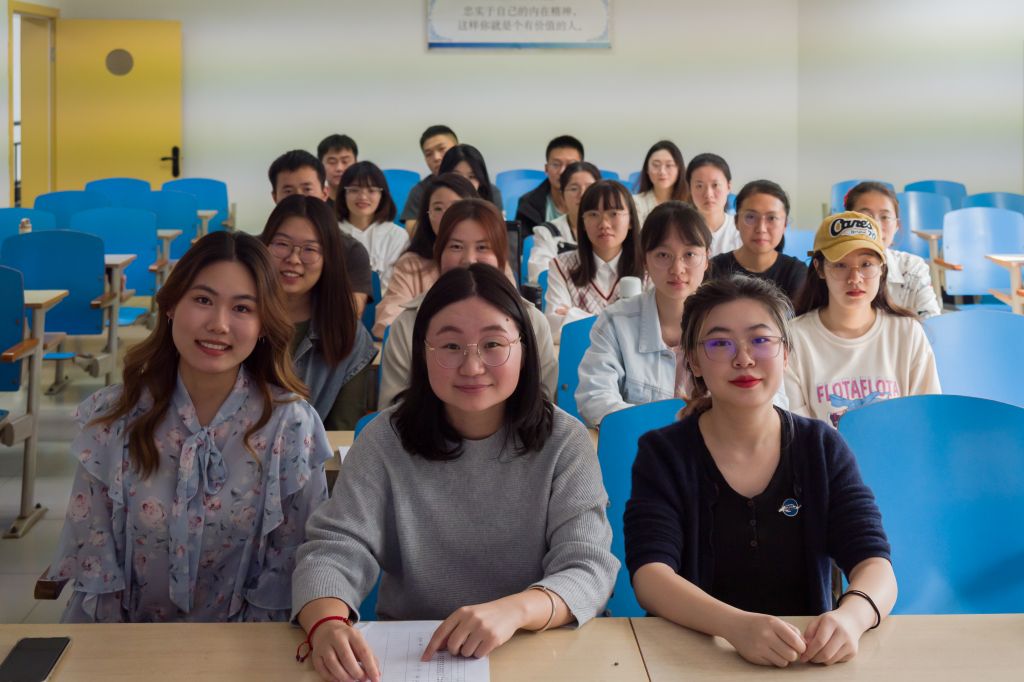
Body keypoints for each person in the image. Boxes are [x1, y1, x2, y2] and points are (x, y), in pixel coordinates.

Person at [292, 264, 618, 682]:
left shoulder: (565, 441)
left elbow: (588, 565)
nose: (472, 366)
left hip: (536, 651)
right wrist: (327, 624)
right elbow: (335, 548)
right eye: (450, 346)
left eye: (493, 344)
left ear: (524, 348)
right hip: (413, 658)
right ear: (422, 351)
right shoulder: (384, 440)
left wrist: (516, 610)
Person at [47, 231, 332, 623]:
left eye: (242, 308)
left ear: (264, 324)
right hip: (128, 642)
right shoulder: (114, 416)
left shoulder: (290, 424)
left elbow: (291, 565)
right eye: (202, 300)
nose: (218, 324)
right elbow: (95, 561)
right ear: (170, 306)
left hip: (249, 644)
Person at [625, 274, 897, 668]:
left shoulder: (821, 447)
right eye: (720, 343)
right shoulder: (664, 453)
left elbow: (875, 563)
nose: (744, 359)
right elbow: (651, 576)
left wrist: (851, 618)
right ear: (694, 361)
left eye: (760, 340)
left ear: (785, 354)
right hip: (691, 659)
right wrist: (734, 626)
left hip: (804, 661)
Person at [378, 199, 557, 408]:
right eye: (456, 246)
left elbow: (543, 400)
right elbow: (394, 408)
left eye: (482, 247)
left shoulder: (532, 320)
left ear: (502, 257)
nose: (469, 259)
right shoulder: (408, 323)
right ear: (439, 253)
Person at [786, 212, 941, 427]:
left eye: (866, 264)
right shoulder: (794, 338)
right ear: (820, 268)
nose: (855, 278)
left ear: (882, 268)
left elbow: (925, 418)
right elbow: (799, 432)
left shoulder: (908, 333)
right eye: (840, 265)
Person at [575, 202, 711, 426]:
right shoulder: (616, 321)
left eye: (689, 254)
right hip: (638, 445)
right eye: (663, 255)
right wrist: (662, 432)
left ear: (706, 258)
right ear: (645, 260)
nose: (677, 269)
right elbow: (594, 398)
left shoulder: (730, 324)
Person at [260, 195, 377, 429]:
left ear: (328, 258)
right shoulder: (238, 319)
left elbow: (342, 431)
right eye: (282, 244)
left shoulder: (348, 334)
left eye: (309, 249)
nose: (293, 259)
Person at [267, 149, 373, 316]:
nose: (299, 198)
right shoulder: (257, 248)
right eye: (288, 192)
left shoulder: (351, 250)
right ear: (275, 197)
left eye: (307, 189)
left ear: (325, 193)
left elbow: (349, 314)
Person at [373, 173, 478, 337]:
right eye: (438, 208)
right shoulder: (410, 264)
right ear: (427, 215)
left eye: (455, 207)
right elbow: (388, 321)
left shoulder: (490, 258)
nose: (446, 215)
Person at [545, 180, 644, 342]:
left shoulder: (649, 266)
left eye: (613, 214)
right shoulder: (561, 265)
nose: (604, 224)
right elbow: (555, 328)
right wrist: (622, 323)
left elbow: (654, 327)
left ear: (631, 220)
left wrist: (575, 316)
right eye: (593, 214)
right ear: (583, 222)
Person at [844, 181, 941, 319]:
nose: (876, 226)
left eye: (885, 217)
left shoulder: (913, 268)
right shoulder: (835, 268)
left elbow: (931, 319)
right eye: (866, 217)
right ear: (847, 222)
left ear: (897, 225)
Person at [711, 180, 807, 301]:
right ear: (736, 221)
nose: (761, 228)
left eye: (771, 218)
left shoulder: (796, 273)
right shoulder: (714, 269)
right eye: (751, 217)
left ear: (785, 224)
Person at [336, 161, 409, 291]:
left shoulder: (397, 236)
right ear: (343, 194)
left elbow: (398, 287)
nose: (363, 197)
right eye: (354, 190)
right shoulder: (331, 232)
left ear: (382, 195)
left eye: (371, 190)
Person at [526, 160, 600, 283]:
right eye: (574, 189)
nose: (582, 194)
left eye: (590, 188)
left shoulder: (611, 230)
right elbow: (539, 275)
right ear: (562, 195)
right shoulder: (547, 232)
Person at [515, 135, 586, 230]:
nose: (562, 171)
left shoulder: (594, 201)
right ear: (546, 169)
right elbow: (523, 238)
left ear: (582, 169)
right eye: (556, 164)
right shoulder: (528, 205)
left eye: (571, 165)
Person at [399, 125, 459, 232]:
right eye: (429, 154)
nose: (436, 157)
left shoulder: (480, 184)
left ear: (458, 149)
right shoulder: (420, 191)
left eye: (442, 149)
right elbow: (411, 230)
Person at [686, 152, 742, 257]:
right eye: (699, 186)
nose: (708, 194)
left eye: (715, 185)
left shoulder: (740, 231)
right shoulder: (680, 230)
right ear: (690, 189)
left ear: (728, 187)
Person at [633, 141, 688, 226]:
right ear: (647, 169)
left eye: (669, 165)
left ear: (679, 169)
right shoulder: (636, 203)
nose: (662, 171)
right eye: (656, 165)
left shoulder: (691, 203)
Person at [437, 144, 504, 214]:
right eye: (456, 175)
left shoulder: (492, 195)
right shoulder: (435, 199)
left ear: (481, 180)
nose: (464, 181)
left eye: (471, 176)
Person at [317, 134, 358, 206]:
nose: (339, 168)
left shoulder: (366, 203)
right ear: (320, 165)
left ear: (356, 164)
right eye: (332, 162)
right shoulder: (316, 205)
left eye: (345, 161)